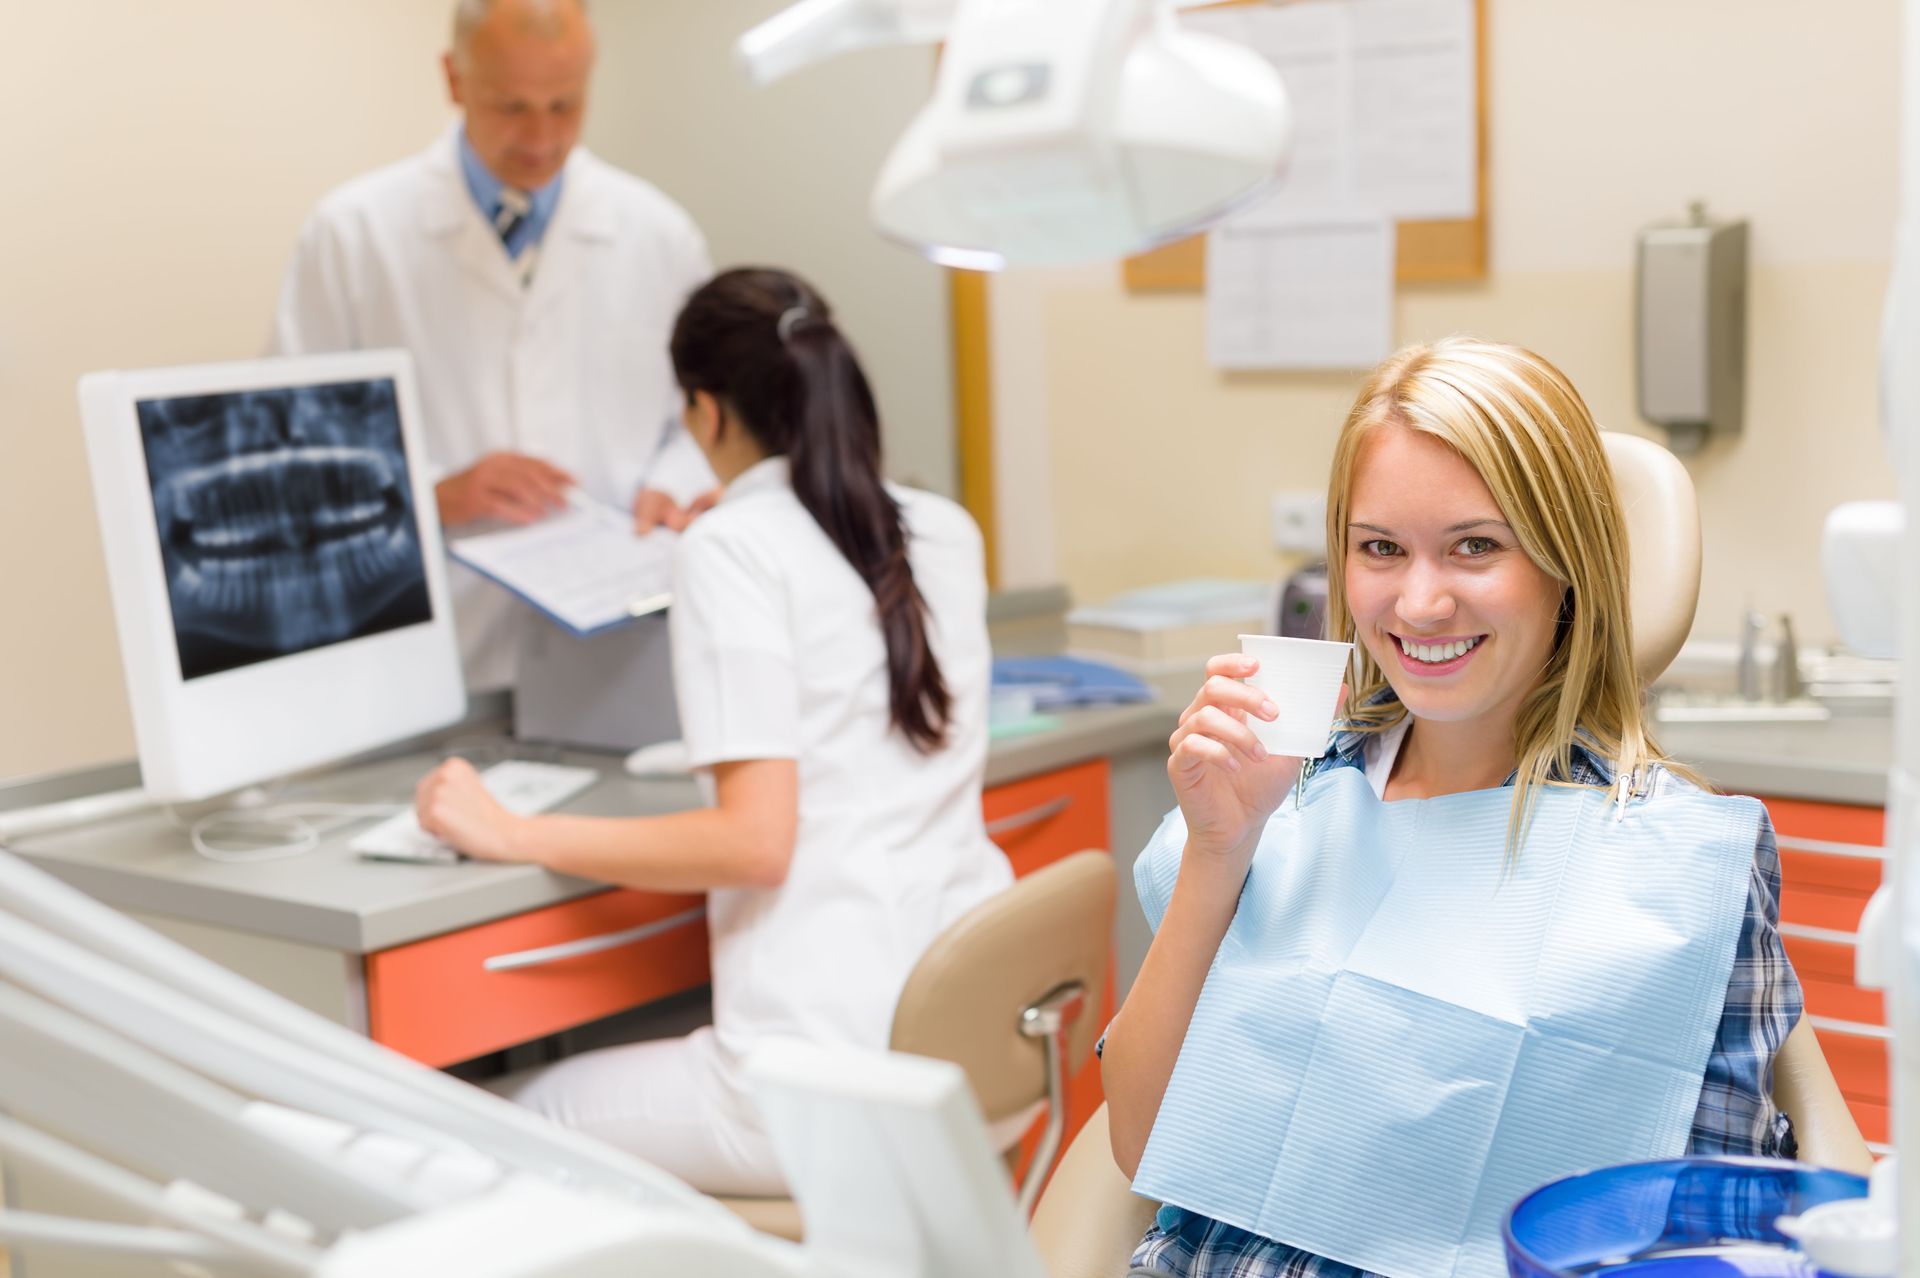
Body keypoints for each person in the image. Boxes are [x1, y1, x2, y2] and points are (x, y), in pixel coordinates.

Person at [1100, 338, 1801, 1278]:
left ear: (1567, 567)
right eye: (1380, 549)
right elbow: (1146, 1151)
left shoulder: (1673, 866)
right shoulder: (1284, 790)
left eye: (1476, 547)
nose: (1420, 602)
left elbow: (1703, 1238)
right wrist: (1219, 852)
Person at [410, 268, 1014, 1195]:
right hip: (965, 1052)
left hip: (822, 1082)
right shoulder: (945, 527)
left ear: (704, 414)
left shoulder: (733, 548)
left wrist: (511, 832)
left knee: (496, 1120)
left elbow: (753, 840)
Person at [272, 0, 714, 691]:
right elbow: (291, 457)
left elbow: (705, 424)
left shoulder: (661, 237)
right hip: (431, 651)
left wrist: (676, 483)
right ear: (454, 79)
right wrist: (433, 495)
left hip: (621, 651)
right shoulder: (353, 237)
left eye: (564, 106)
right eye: (511, 107)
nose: (540, 138)